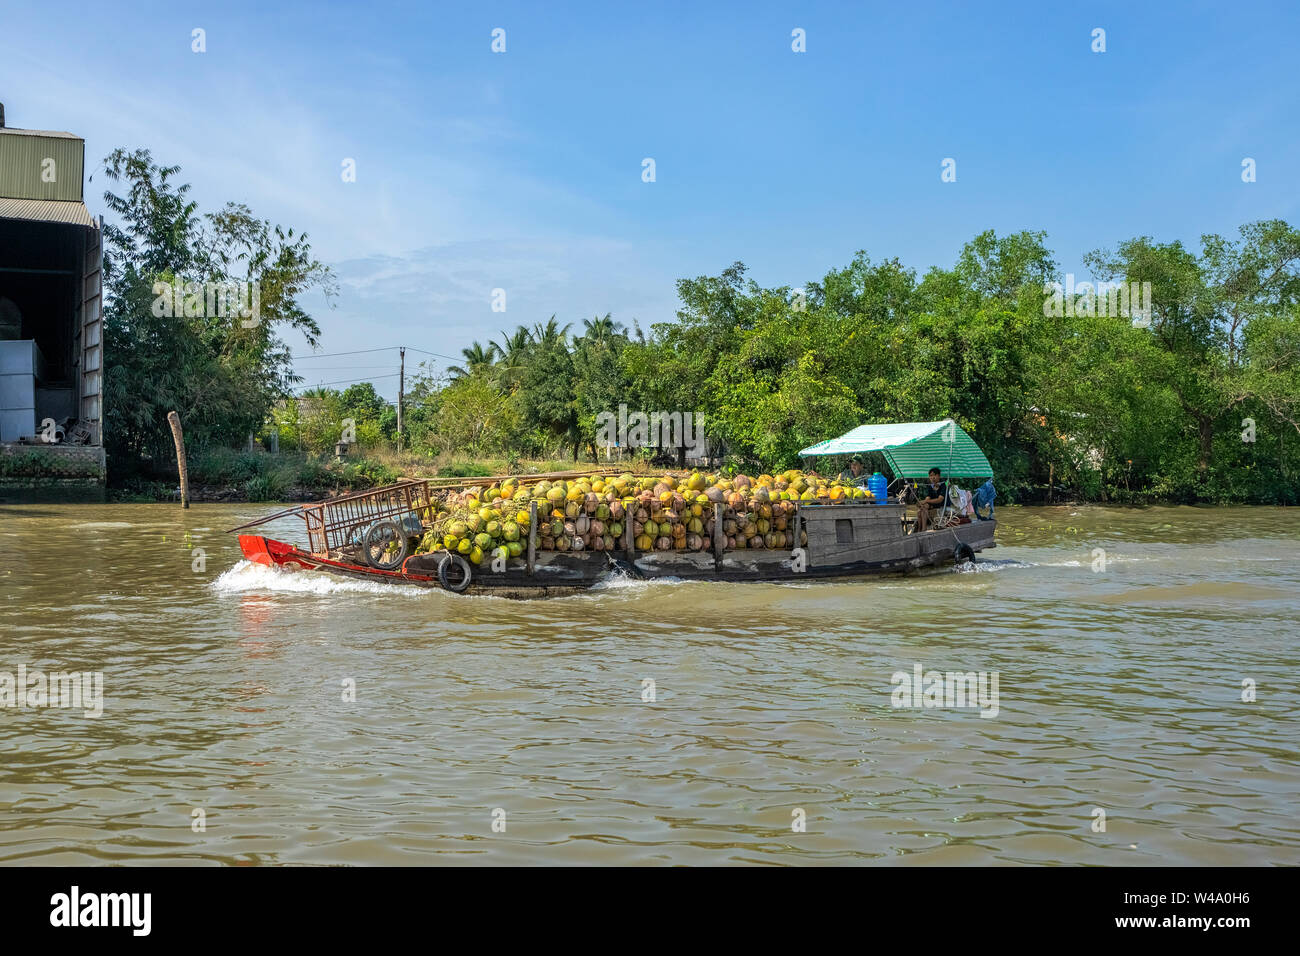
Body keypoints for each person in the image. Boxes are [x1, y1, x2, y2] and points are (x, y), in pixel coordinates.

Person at [914, 467, 948, 532]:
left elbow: (939, 500)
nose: (932, 477)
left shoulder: (943, 486)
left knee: (924, 508)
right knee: (920, 510)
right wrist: (921, 503)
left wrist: (925, 501)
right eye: (930, 476)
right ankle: (920, 529)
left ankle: (923, 529)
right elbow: (928, 498)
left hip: (940, 506)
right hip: (931, 506)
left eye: (934, 475)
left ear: (938, 476)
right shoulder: (930, 486)